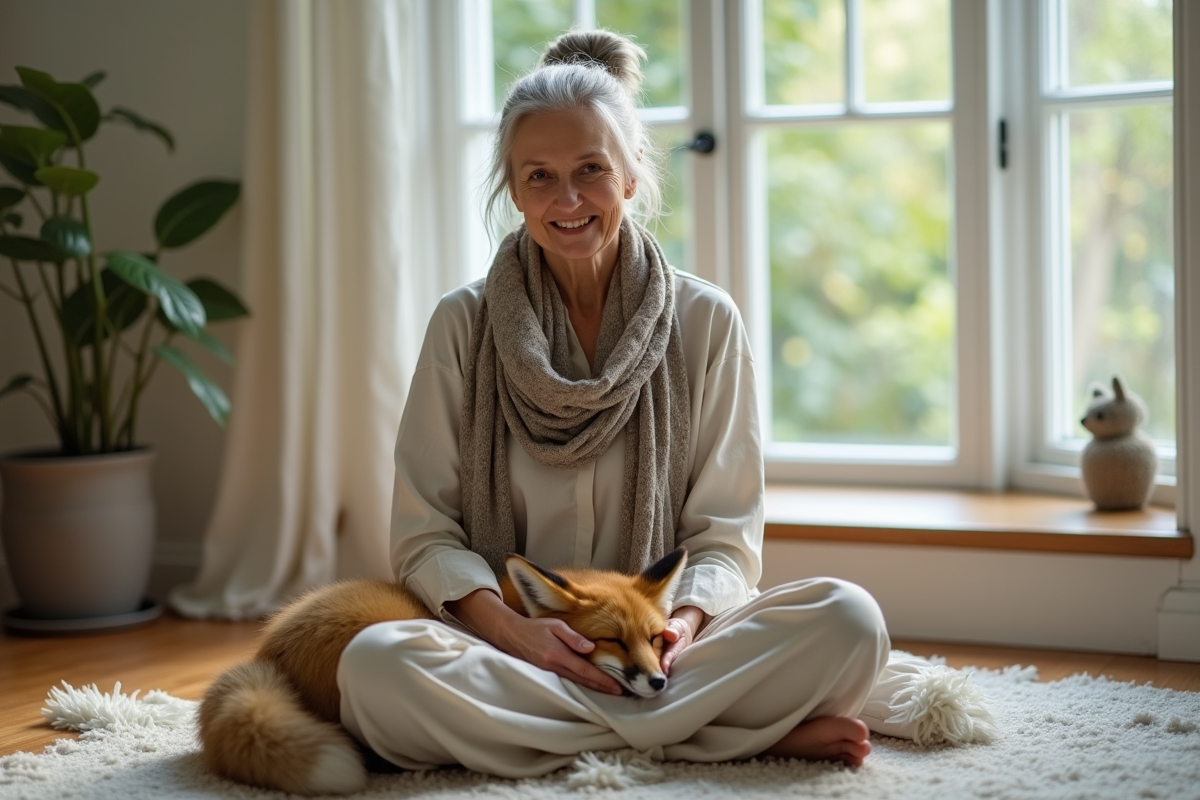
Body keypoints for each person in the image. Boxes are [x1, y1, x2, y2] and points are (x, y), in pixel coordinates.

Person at [337, 29, 908, 777]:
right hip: (513, 653)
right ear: (514, 190)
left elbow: (725, 537)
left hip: (663, 653)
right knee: (375, 666)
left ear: (633, 174)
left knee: (850, 620)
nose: (567, 199)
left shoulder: (706, 321)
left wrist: (680, 629)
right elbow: (425, 536)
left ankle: (572, 734)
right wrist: (519, 635)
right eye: (539, 176)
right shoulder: (462, 324)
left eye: (591, 170)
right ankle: (720, 736)